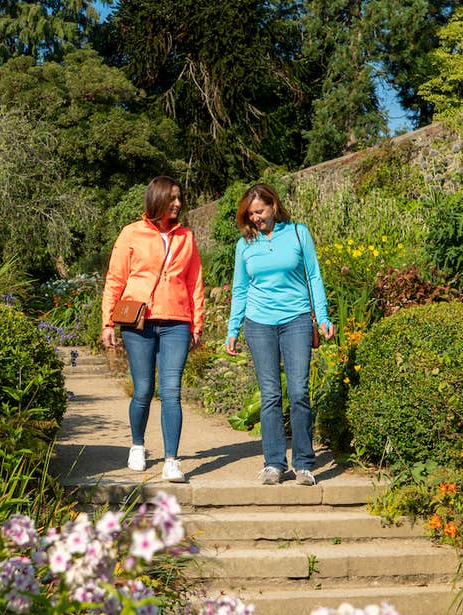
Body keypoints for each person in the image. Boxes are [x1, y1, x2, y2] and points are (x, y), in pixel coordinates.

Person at [224, 183, 335, 486]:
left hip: (296, 319)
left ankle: (303, 464)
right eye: (251, 214)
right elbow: (240, 289)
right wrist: (232, 330)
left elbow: (313, 275)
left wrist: (323, 317)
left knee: (299, 392)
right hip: (258, 323)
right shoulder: (244, 244)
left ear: (273, 206)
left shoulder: (298, 233)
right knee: (270, 395)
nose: (256, 218)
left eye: (260, 211)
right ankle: (274, 463)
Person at [101, 176, 205, 483]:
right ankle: (137, 445)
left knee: (171, 391)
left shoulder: (186, 236)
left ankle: (172, 460)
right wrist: (108, 321)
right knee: (143, 389)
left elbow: (195, 281)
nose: (177, 203)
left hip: (177, 322)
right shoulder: (131, 233)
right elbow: (115, 279)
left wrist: (197, 322)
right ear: (156, 198)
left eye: (179, 198)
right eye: (172, 197)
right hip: (139, 322)